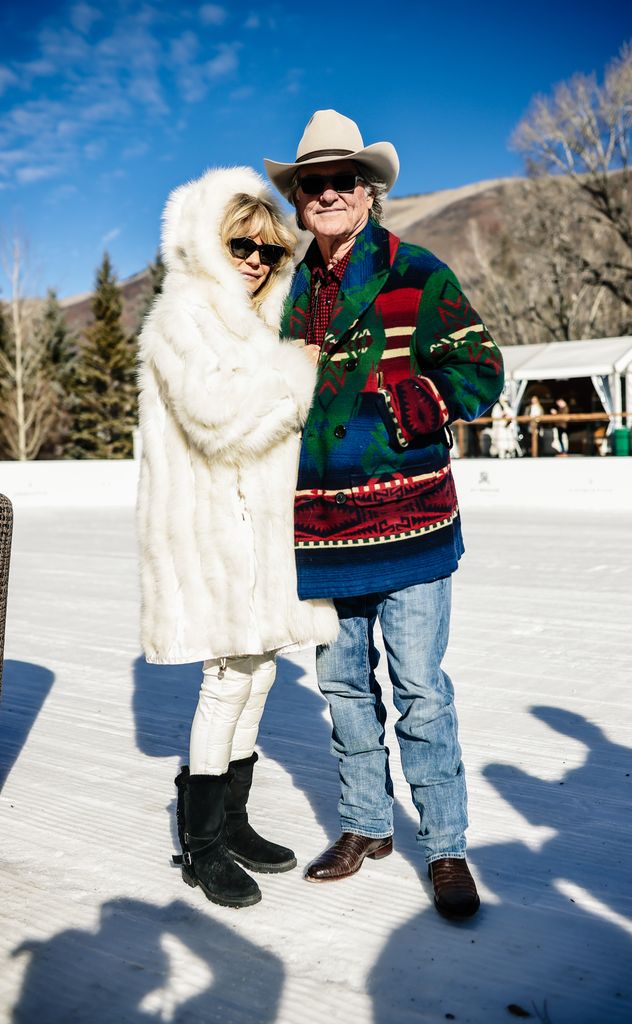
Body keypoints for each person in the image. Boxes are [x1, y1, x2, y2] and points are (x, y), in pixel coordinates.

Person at [264, 110, 504, 920]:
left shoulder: (418, 272)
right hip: (320, 534)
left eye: (341, 180)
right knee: (341, 688)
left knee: (419, 691)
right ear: (299, 201)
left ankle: (446, 846)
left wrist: (408, 405)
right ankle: (367, 826)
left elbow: (482, 369)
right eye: (312, 184)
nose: (327, 193)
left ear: (367, 192)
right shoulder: (285, 292)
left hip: (411, 524)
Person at [137, 166, 338, 909]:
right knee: (226, 681)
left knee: (258, 673)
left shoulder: (254, 322)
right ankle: (201, 845)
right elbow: (218, 419)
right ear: (206, 246)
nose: (256, 262)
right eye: (241, 247)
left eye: (270, 252)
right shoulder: (182, 318)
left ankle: (236, 821)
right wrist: (295, 378)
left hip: (255, 528)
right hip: (210, 532)